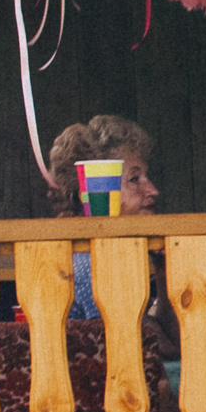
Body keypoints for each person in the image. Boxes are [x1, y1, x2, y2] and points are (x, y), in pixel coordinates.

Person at [45, 116, 160, 325]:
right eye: (134, 179)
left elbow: (165, 340)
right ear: (92, 190)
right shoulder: (91, 262)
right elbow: (159, 345)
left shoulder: (111, 253)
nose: (153, 190)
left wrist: (163, 269)